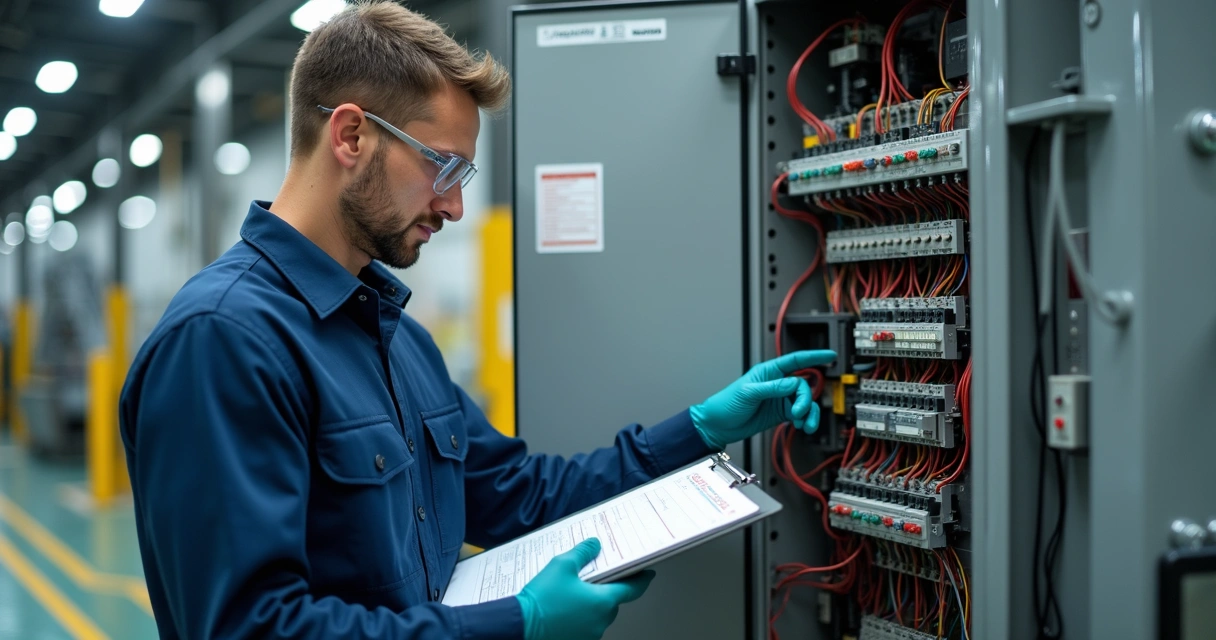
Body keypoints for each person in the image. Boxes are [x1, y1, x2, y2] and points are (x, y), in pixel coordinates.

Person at [118, 3, 836, 639]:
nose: (454, 207)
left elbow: (520, 496)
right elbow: (251, 627)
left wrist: (702, 429)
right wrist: (511, 624)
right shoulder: (223, 340)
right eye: (445, 168)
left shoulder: (396, 340)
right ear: (350, 137)